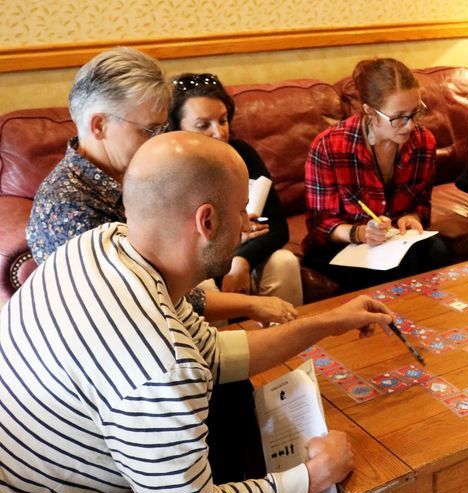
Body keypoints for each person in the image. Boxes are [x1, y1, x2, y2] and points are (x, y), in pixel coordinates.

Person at [0, 131, 394, 493]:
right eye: (241, 211)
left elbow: (215, 353)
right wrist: (314, 476)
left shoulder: (101, 244)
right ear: (206, 221)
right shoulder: (161, 363)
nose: (244, 225)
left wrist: (329, 322)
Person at [25, 47, 297, 326]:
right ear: (99, 126)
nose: (158, 142)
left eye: (161, 130)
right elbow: (146, 297)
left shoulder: (137, 170)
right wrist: (252, 304)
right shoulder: (67, 208)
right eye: (148, 131)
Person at [303, 57, 451, 292]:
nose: (410, 125)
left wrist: (411, 217)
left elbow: (421, 204)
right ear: (369, 111)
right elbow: (321, 225)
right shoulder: (329, 146)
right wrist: (361, 233)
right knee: (388, 272)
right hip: (343, 244)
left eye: (415, 112)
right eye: (399, 117)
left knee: (438, 251)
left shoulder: (423, 142)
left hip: (394, 239)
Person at [167, 72, 303, 306]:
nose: (219, 133)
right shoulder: (165, 168)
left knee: (284, 262)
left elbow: (279, 228)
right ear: (176, 127)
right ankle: (219, 343)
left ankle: (291, 337)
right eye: (203, 125)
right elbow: (171, 246)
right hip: (195, 267)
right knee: (203, 287)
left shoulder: (243, 155)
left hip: (243, 255)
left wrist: (242, 259)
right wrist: (231, 239)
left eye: (222, 120)